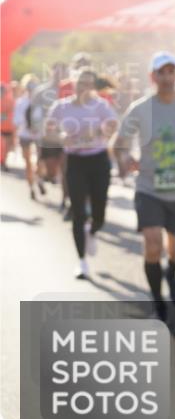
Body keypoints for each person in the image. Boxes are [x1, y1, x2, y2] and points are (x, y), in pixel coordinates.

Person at [111, 51, 175, 321]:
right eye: (162, 72)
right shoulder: (141, 108)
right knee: (153, 244)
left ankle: (172, 273)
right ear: (153, 76)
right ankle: (158, 301)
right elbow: (119, 142)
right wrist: (125, 159)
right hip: (149, 188)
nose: (167, 77)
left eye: (171, 71)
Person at [47, 69, 118, 279]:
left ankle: (93, 231)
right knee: (78, 212)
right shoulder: (62, 106)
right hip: (75, 161)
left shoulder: (101, 106)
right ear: (74, 84)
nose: (84, 87)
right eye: (80, 83)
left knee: (99, 213)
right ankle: (82, 262)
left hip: (98, 160)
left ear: (94, 87)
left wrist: (98, 132)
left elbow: (113, 125)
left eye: (88, 84)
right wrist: (61, 137)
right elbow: (48, 129)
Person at [32, 62, 69, 208]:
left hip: (65, 137)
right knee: (50, 169)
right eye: (57, 71)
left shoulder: (70, 90)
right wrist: (38, 130)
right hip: (47, 137)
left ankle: (65, 199)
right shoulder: (42, 91)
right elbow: (35, 112)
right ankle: (41, 178)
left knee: (65, 168)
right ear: (51, 72)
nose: (60, 75)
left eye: (63, 71)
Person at [13, 74, 40, 199]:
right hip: (25, 135)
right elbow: (16, 120)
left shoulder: (40, 101)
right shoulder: (21, 102)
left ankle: (38, 178)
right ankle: (31, 186)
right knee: (28, 162)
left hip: (38, 135)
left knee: (40, 162)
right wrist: (27, 125)